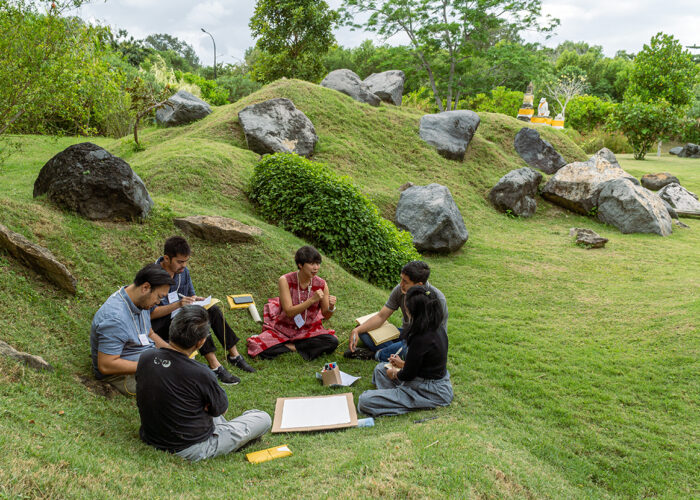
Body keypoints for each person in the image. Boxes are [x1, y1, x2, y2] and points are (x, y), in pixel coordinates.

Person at [137, 305, 271, 461]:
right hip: (191, 447)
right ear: (200, 342)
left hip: (151, 436)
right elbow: (221, 410)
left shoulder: (146, 357)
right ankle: (231, 436)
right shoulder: (201, 372)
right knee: (263, 418)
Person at [150, 236, 254, 386]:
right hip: (163, 324)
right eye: (180, 262)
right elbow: (151, 313)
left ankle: (234, 355)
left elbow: (190, 293)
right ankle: (214, 365)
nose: (184, 265)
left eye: (186, 261)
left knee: (213, 309)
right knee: (195, 319)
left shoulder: (182, 272)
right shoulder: (153, 275)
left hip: (180, 312)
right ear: (166, 258)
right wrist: (178, 305)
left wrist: (196, 299)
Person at [357, 285, 453, 417]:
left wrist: (396, 374)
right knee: (380, 369)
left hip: (431, 390)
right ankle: (398, 397)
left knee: (365, 400)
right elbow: (423, 366)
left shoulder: (421, 336)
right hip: (423, 379)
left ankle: (404, 399)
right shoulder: (434, 326)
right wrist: (401, 364)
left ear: (413, 311)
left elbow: (408, 375)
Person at [90, 263, 174, 396]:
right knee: (178, 384)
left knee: (184, 369)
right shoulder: (115, 318)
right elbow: (106, 365)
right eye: (159, 297)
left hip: (147, 359)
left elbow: (150, 333)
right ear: (146, 287)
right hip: (122, 375)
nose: (158, 302)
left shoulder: (140, 301)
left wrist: (173, 353)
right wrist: (150, 367)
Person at [247, 246, 338, 360]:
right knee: (256, 346)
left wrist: (331, 307)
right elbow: (289, 312)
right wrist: (312, 300)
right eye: (312, 264)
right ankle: (301, 348)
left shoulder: (321, 284)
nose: (316, 268)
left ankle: (292, 347)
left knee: (332, 341)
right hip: (284, 329)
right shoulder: (285, 280)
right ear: (300, 264)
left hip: (308, 330)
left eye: (318, 264)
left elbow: (326, 316)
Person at [346, 260, 447, 362]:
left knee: (410, 347)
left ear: (419, 285)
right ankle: (393, 352)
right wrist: (357, 331)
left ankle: (375, 354)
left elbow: (430, 337)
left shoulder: (437, 299)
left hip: (423, 341)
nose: (401, 284)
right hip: (404, 334)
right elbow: (381, 317)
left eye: (405, 281)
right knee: (364, 330)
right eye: (401, 279)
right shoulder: (400, 289)